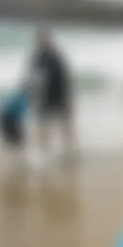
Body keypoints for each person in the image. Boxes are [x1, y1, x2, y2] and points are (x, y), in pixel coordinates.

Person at [29, 26, 74, 160]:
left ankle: (70, 152)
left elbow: (65, 79)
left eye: (46, 40)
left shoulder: (56, 57)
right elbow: (32, 79)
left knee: (65, 126)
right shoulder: (36, 58)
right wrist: (31, 97)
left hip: (59, 96)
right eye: (41, 40)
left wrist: (68, 100)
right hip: (44, 97)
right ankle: (45, 156)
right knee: (42, 127)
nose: (44, 42)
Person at [0, 87, 28, 160]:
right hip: (9, 119)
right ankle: (16, 159)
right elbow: (21, 118)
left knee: (7, 141)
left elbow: (2, 108)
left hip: (1, 119)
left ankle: (4, 158)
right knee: (19, 141)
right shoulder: (23, 100)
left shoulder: (12, 97)